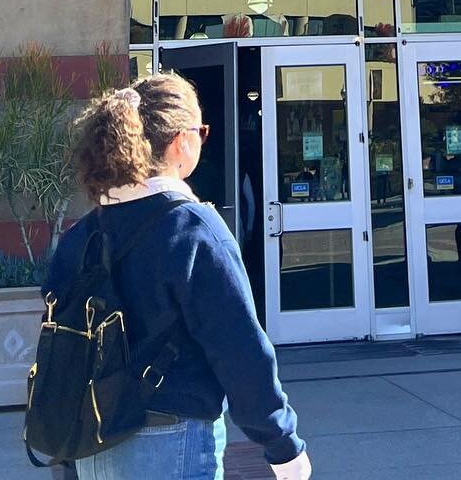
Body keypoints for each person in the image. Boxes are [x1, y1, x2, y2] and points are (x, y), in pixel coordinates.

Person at [44, 73, 309, 480]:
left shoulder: (82, 235)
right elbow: (239, 349)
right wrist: (282, 443)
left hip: (89, 440)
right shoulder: (193, 228)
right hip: (173, 437)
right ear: (181, 140)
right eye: (201, 130)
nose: (203, 140)